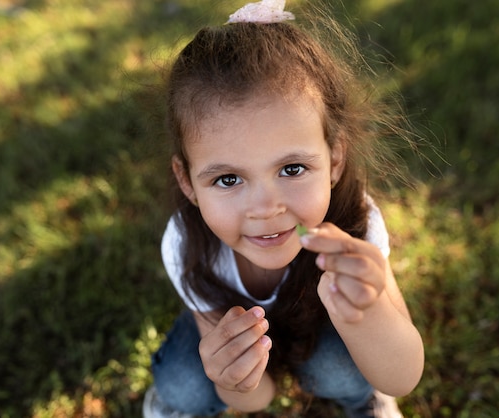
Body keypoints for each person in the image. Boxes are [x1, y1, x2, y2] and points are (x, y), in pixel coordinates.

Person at [143, 0, 425, 416]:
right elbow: (259, 399)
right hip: (240, 348)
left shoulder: (354, 231)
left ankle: (361, 400)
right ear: (187, 181)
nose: (265, 208)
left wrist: (366, 314)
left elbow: (402, 375)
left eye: (292, 168)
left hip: (321, 333)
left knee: (341, 370)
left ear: (334, 160)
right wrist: (234, 381)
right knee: (184, 383)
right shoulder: (187, 243)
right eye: (228, 179)